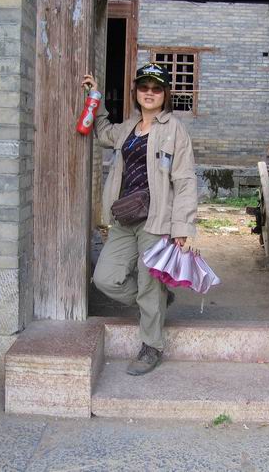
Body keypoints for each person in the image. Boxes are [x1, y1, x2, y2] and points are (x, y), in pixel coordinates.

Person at [82, 63, 197, 376]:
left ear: (165, 94)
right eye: (144, 87)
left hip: (155, 222)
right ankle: (157, 300)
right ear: (136, 92)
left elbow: (185, 180)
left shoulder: (174, 130)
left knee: (149, 282)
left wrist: (182, 227)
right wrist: (95, 98)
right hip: (124, 218)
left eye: (156, 88)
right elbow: (103, 132)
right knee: (105, 279)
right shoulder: (128, 127)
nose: (149, 93)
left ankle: (151, 347)